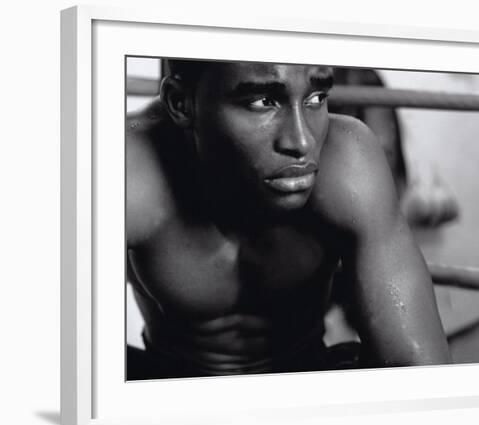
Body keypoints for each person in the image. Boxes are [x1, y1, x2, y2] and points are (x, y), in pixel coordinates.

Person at [126, 60, 451, 379]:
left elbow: (420, 370)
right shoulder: (126, 167)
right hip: (169, 387)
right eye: (263, 101)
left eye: (316, 98)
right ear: (181, 103)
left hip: (303, 379)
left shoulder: (347, 157)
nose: (302, 142)